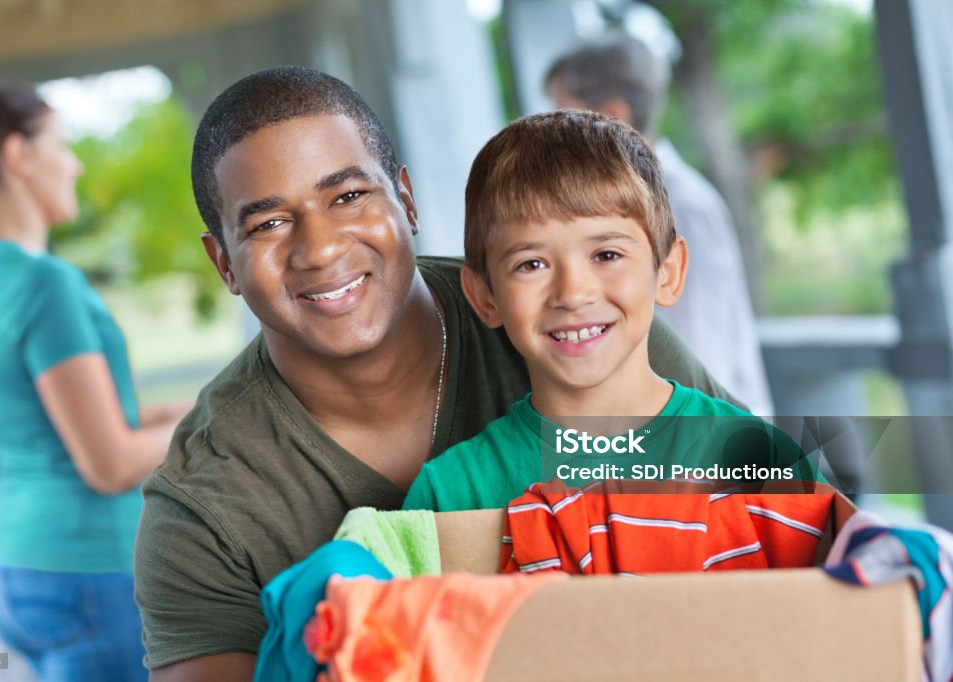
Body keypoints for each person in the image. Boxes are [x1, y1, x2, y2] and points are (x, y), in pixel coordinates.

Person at [133, 66, 739, 681]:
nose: (319, 248)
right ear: (224, 265)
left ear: (407, 200)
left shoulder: (578, 331)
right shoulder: (203, 505)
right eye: (268, 224)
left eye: (348, 196)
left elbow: (785, 531)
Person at [402, 111, 811, 513]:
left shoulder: (761, 463)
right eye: (531, 264)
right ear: (485, 297)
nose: (573, 293)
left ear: (667, 272)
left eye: (607, 254)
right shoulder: (450, 494)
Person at [0, 85, 191, 682]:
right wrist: (200, 425)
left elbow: (35, 421)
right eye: (62, 145)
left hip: (11, 567)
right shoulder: (44, 283)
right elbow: (109, 464)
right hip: (88, 570)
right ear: (19, 156)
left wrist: (161, 415)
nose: (74, 164)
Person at [545, 35, 774, 417]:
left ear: (614, 114)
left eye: (562, 115)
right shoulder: (624, 204)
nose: (552, 137)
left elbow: (698, 353)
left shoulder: (681, 205)